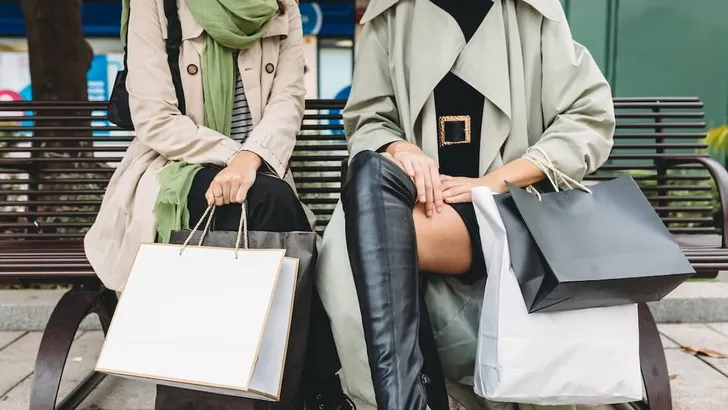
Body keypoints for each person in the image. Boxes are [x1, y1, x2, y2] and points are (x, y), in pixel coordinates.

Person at [315, 0, 616, 409]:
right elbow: (369, 119)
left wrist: (493, 183)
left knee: (371, 239)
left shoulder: (534, 11)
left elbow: (587, 117)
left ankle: (407, 399)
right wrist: (403, 150)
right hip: (423, 203)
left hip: (512, 206)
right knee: (364, 200)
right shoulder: (392, 16)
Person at [83, 0, 354, 409]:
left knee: (267, 203)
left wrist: (252, 159)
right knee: (275, 210)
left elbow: (288, 100)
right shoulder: (155, 4)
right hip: (176, 169)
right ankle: (318, 391)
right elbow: (155, 118)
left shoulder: (281, 6)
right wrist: (236, 156)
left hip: (262, 169)